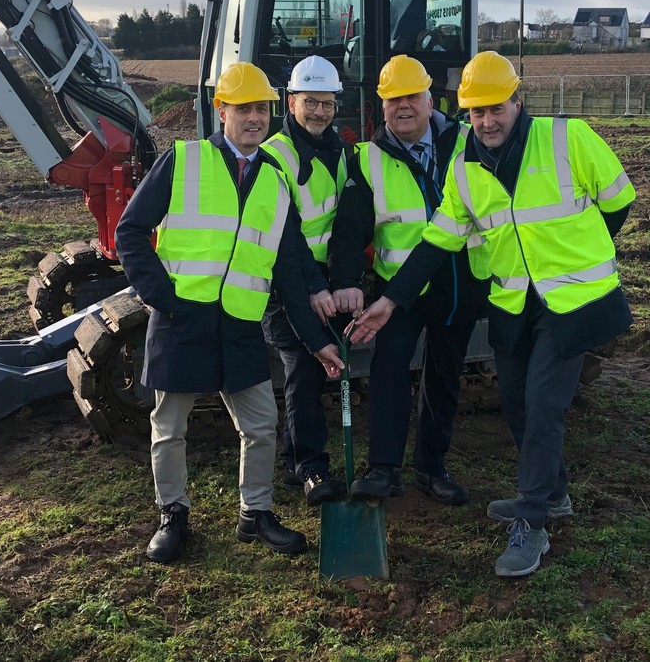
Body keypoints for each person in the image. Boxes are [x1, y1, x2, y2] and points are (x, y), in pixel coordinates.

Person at [351, 50, 636, 577]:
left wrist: (580, 256)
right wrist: (388, 301)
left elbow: (618, 200)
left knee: (544, 404)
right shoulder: (467, 166)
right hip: (511, 301)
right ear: (464, 113)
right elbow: (437, 241)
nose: (487, 121)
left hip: (573, 303)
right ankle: (554, 495)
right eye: (477, 112)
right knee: (516, 403)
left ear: (516, 101)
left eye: (496, 108)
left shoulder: (567, 138)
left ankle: (531, 521)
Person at [115, 60, 344, 565]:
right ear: (221, 111)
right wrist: (162, 297)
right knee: (170, 426)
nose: (255, 118)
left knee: (261, 425)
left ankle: (254, 514)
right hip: (181, 320)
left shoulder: (276, 180)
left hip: (241, 323)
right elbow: (129, 232)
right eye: (243, 109)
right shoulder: (183, 160)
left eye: (261, 109)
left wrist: (317, 341)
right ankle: (172, 514)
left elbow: (289, 270)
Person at [329, 54, 488, 505]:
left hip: (461, 287)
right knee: (388, 371)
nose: (403, 107)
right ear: (381, 105)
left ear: (430, 97)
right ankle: (384, 468)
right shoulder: (368, 158)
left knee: (444, 378)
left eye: (411, 97)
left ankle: (432, 468)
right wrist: (347, 280)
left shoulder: (468, 142)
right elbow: (348, 229)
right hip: (399, 293)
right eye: (392, 99)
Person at [260, 55, 348, 506]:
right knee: (302, 366)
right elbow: (287, 241)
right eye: (310, 102)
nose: (319, 111)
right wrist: (315, 287)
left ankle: (296, 455)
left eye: (327, 103)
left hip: (323, 278)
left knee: (313, 372)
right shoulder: (276, 157)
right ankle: (309, 465)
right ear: (290, 102)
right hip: (286, 282)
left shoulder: (338, 149)